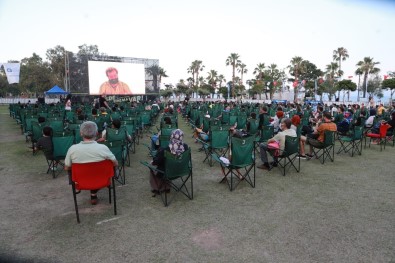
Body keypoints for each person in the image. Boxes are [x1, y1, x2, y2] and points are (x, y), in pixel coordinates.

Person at [64, 121, 118, 205]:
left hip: (81, 182)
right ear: (96, 133)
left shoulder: (72, 149)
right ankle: (94, 193)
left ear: (81, 133)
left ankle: (93, 194)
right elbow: (115, 163)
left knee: (89, 172)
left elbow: (67, 167)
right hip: (103, 180)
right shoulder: (103, 148)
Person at [150, 129, 189, 196]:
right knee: (167, 165)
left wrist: (153, 162)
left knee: (153, 166)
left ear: (172, 136)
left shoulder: (166, 150)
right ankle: (166, 187)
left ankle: (158, 188)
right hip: (182, 170)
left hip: (168, 172)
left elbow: (157, 162)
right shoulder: (185, 147)